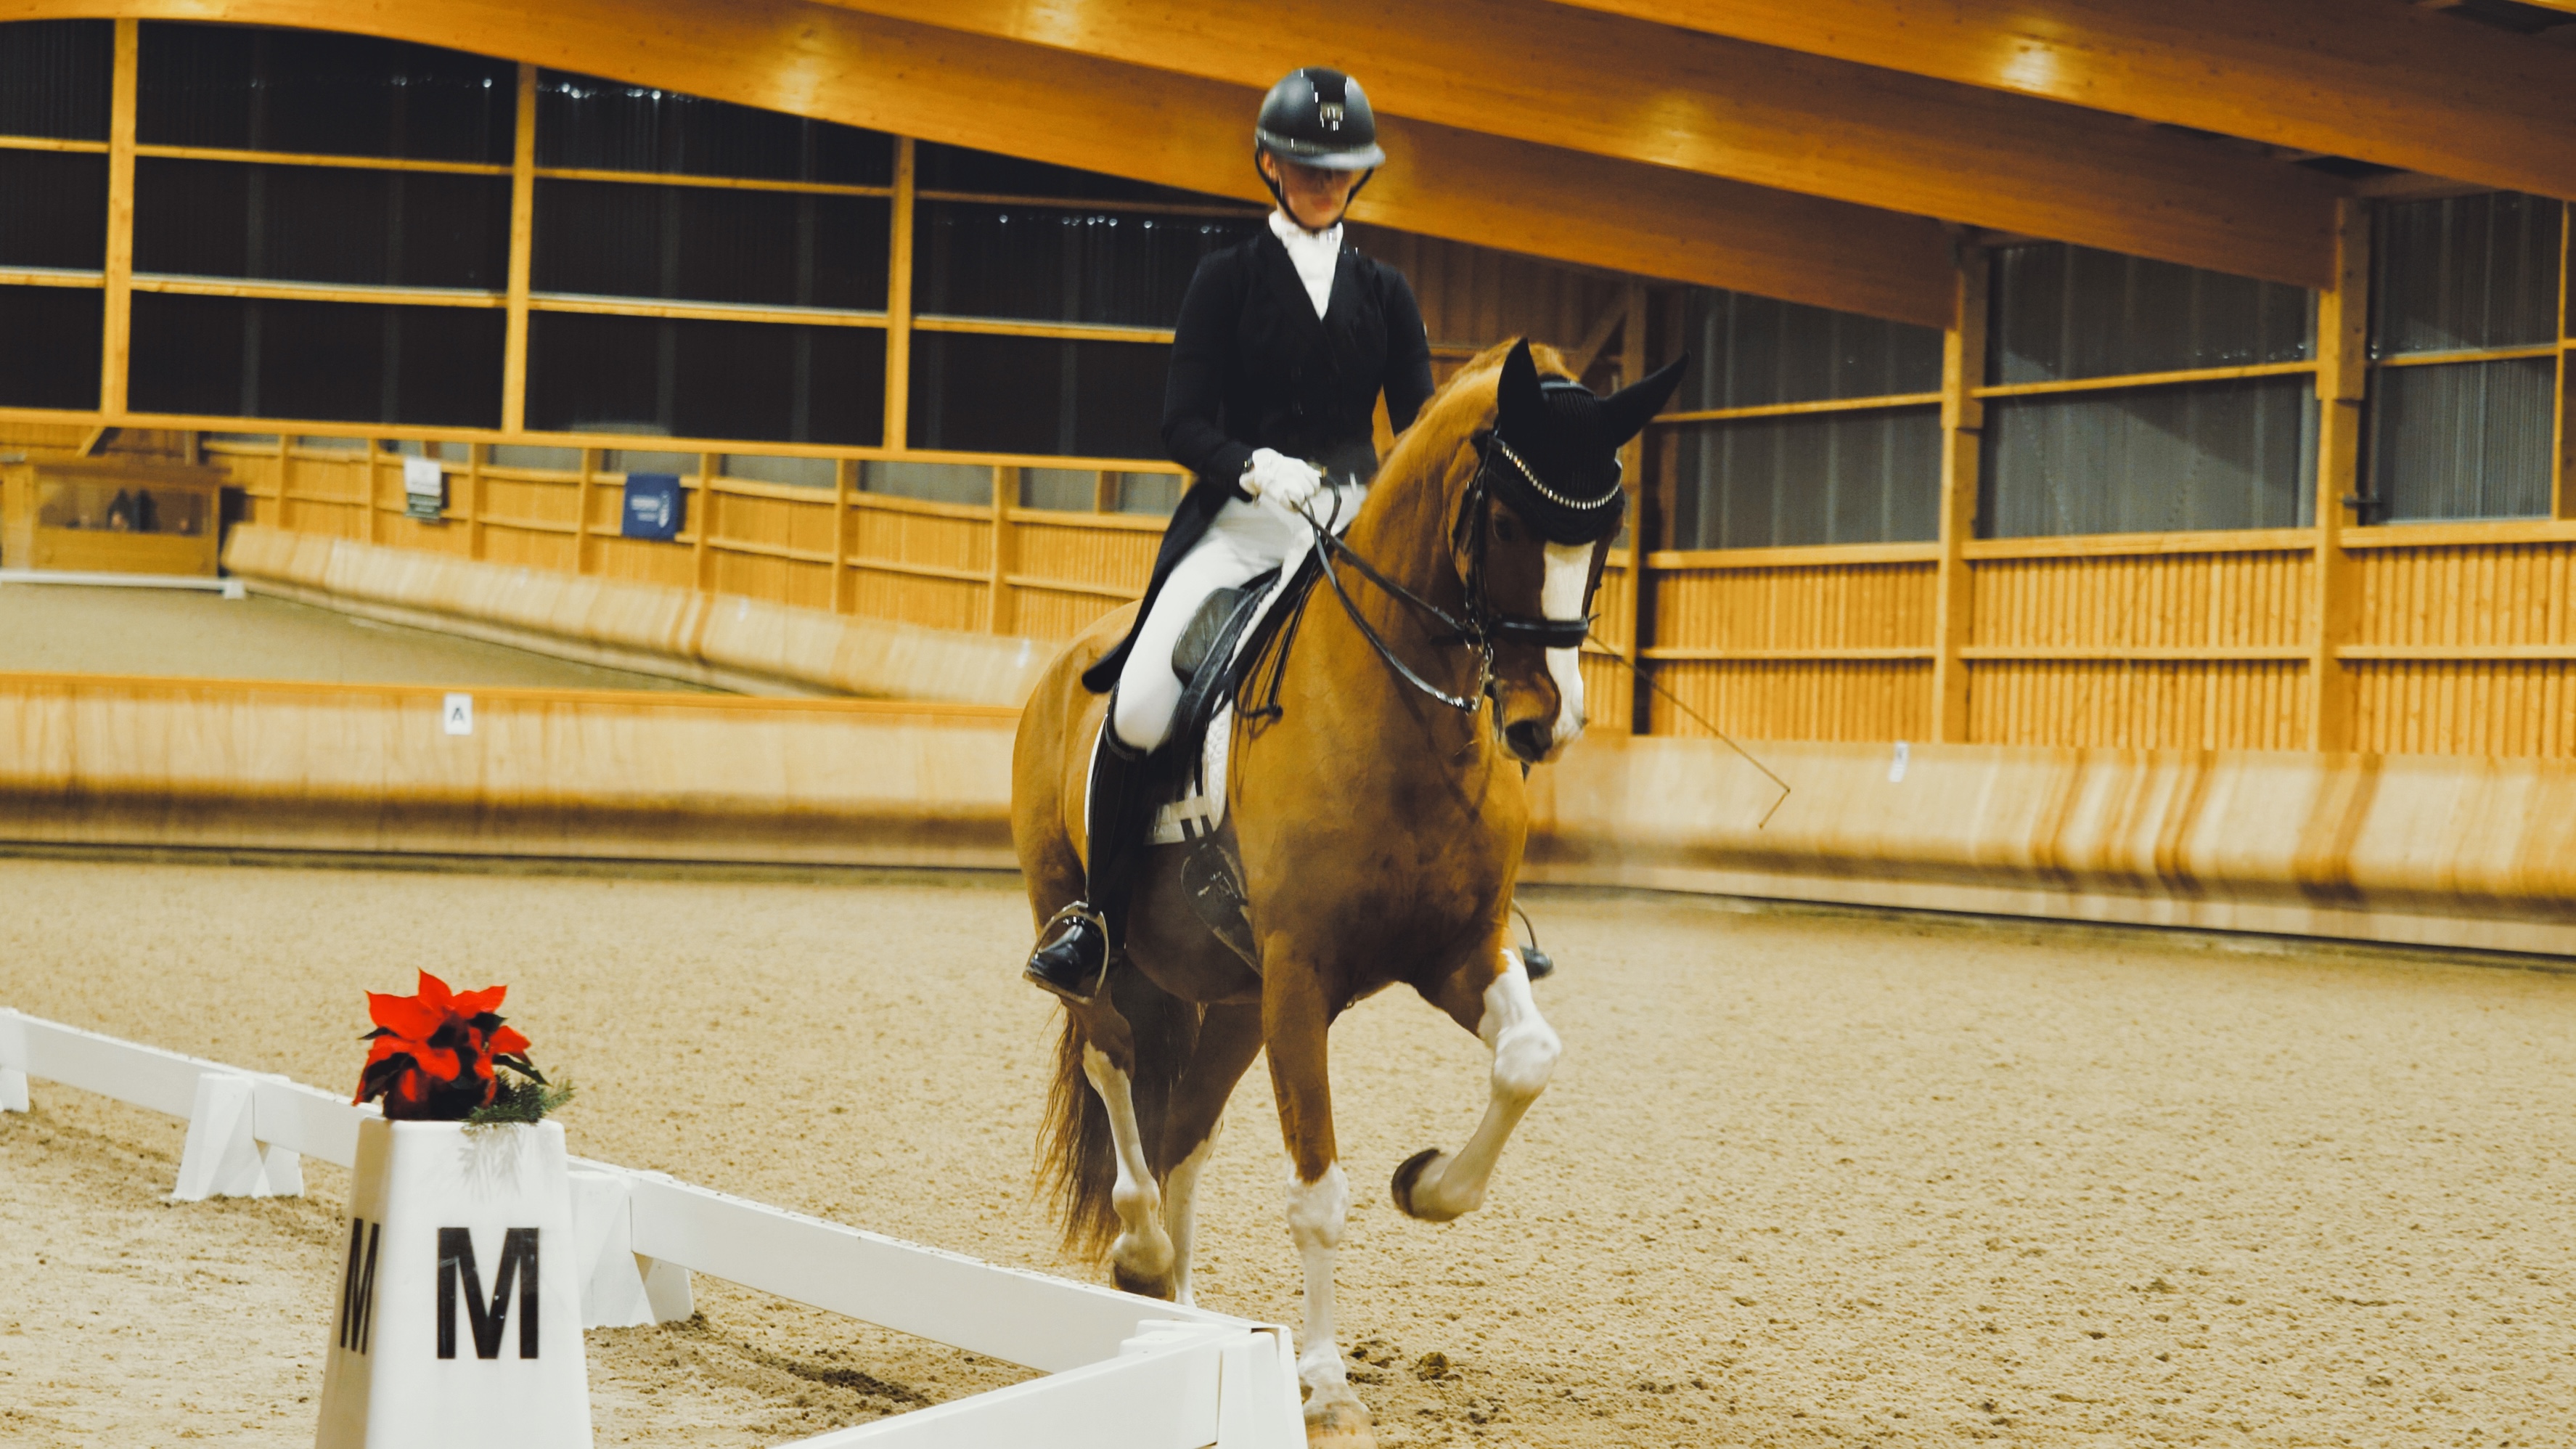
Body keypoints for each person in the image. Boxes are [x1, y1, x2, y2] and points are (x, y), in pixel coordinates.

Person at [1026, 66, 1435, 999]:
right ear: (1269, 165)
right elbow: (1182, 422)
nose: (1324, 182)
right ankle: (1097, 917)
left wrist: (1376, 492)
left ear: (1359, 178)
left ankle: (1475, 900)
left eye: (1340, 168)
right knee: (1136, 700)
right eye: (1305, 164)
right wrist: (1254, 465)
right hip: (1242, 529)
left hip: (1345, 534)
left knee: (1449, 673)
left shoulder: (1388, 292)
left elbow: (1415, 423)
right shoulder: (1226, 281)